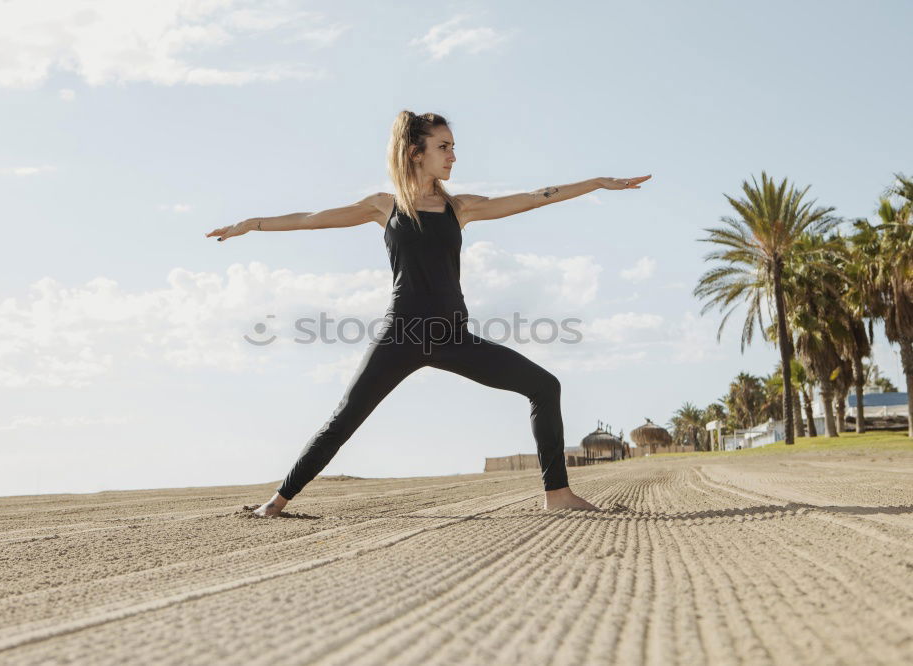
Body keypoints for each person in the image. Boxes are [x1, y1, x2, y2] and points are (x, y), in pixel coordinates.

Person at [206, 110, 650, 517]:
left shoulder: (461, 208)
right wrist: (252, 224)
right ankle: (277, 501)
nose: (454, 155)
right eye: (444, 147)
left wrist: (596, 183)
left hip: (453, 336)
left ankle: (558, 496)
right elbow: (310, 218)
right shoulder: (385, 206)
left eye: (453, 146)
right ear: (416, 152)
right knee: (344, 418)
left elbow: (534, 197)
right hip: (400, 334)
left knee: (544, 386)